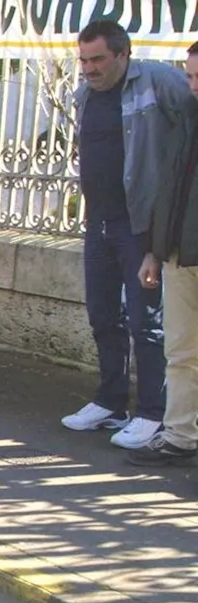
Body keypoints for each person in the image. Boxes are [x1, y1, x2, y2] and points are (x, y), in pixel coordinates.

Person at [60, 20, 195, 449]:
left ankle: (153, 413)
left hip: (140, 224)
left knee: (147, 323)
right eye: (83, 59)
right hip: (97, 220)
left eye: (98, 59)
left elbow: (187, 132)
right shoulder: (84, 94)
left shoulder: (160, 81)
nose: (89, 69)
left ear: (123, 54)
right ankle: (111, 402)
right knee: (103, 315)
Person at [133, 41, 198, 466]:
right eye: (190, 76)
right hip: (179, 255)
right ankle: (179, 435)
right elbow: (166, 189)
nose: (192, 86)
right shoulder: (186, 121)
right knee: (181, 352)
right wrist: (154, 252)